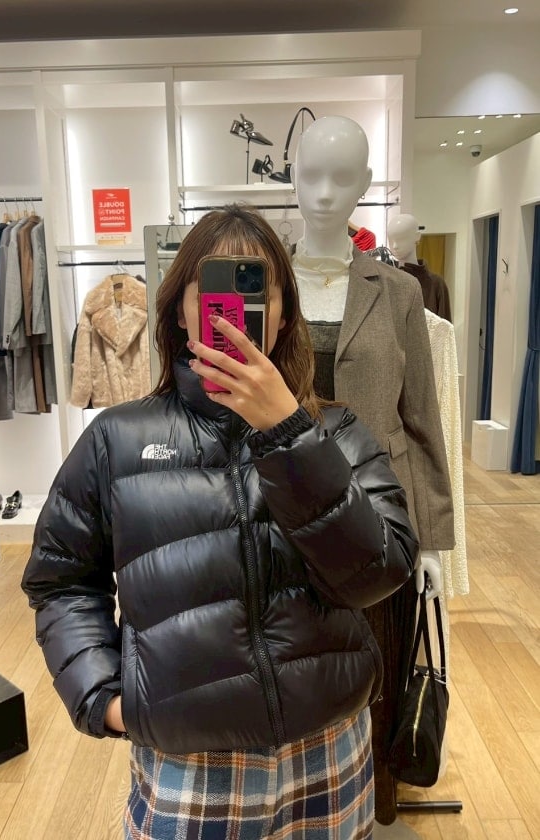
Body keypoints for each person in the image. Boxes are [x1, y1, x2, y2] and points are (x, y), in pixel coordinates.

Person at [22, 205, 419, 839]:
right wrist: (105, 698)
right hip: (188, 766)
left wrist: (289, 435)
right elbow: (60, 580)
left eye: (259, 287)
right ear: (181, 311)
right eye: (210, 287)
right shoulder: (116, 440)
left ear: (283, 314)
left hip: (328, 749)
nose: (233, 308)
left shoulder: (338, 433)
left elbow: (381, 573)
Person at [291, 116, 455, 824]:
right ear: (290, 176)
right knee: (295, 671)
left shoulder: (397, 292)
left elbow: (422, 421)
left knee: (376, 671)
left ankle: (370, 803)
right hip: (283, 518)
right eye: (311, 174)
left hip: (377, 522)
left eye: (343, 176)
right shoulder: (261, 284)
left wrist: (433, 541)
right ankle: (298, 805)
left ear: (365, 184)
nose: (325, 193)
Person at [387, 213, 452, 321]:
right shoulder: (386, 282)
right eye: (391, 240)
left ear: (417, 236)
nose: (395, 246)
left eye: (401, 239)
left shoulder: (436, 284)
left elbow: (445, 328)